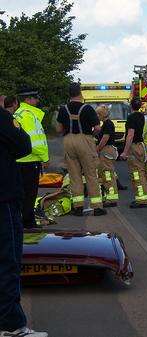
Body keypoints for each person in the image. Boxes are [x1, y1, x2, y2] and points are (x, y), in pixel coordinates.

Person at [0, 105, 48, 336]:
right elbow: (23, 145)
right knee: (7, 261)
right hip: (3, 198)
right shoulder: (4, 118)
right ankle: (11, 325)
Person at [56, 83, 106, 216]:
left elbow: (59, 129)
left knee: (74, 176)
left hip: (68, 141)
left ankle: (78, 207)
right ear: (80, 93)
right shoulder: (88, 108)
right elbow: (97, 128)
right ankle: (97, 207)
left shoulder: (63, 109)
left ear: (69, 94)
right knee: (90, 174)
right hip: (85, 140)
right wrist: (91, 136)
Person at [14, 88, 49, 229]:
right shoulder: (28, 115)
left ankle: (23, 220)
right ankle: (28, 223)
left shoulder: (19, 114)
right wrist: (45, 158)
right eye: (35, 98)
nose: (37, 100)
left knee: (21, 194)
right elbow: (33, 141)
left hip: (20, 161)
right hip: (30, 161)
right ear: (28, 99)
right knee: (30, 194)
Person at [120, 97, 147, 208]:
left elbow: (130, 135)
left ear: (131, 106)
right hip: (141, 146)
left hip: (134, 147)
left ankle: (141, 200)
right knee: (141, 171)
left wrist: (125, 152)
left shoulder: (131, 117)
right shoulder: (141, 116)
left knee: (136, 174)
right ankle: (144, 197)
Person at [96, 105, 119, 207]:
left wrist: (97, 149)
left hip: (107, 150)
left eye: (98, 114)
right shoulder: (106, 124)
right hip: (107, 151)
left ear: (101, 114)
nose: (97, 116)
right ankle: (107, 197)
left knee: (108, 174)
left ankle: (111, 199)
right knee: (104, 174)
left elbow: (105, 138)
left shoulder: (108, 124)